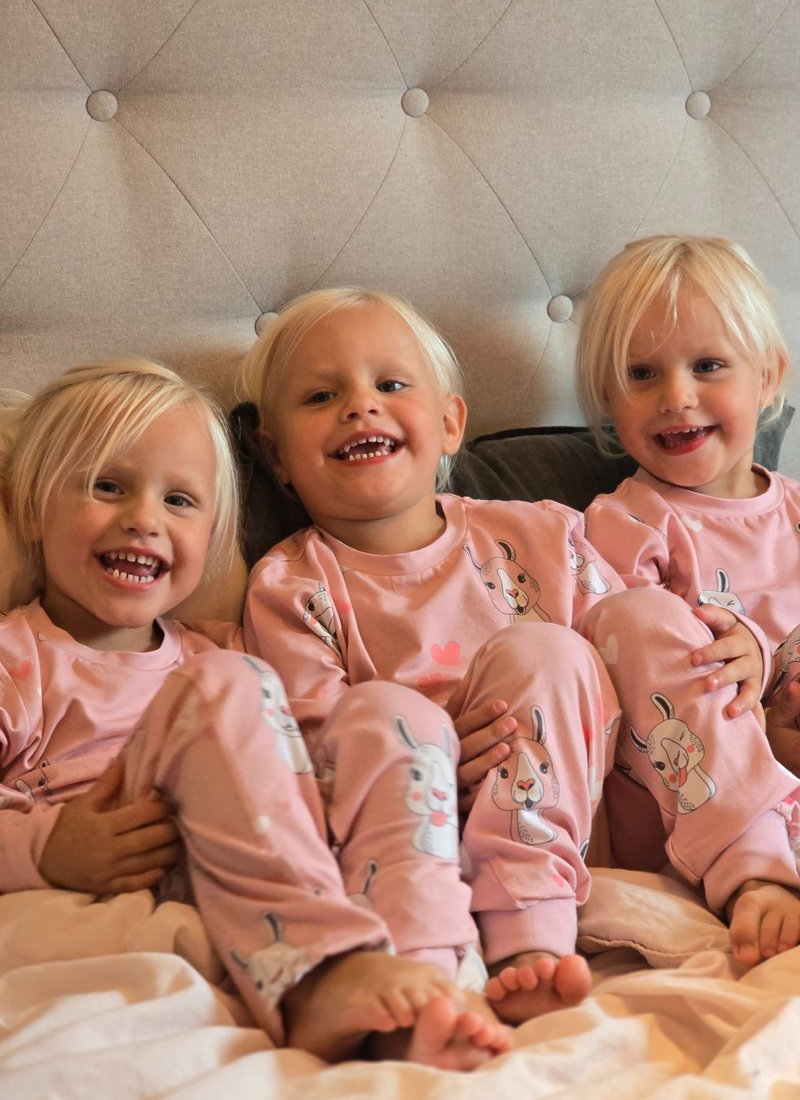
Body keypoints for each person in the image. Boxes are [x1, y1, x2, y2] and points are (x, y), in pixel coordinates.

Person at [239, 286, 798, 1022]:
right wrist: (433, 750)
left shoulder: (540, 531)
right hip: (459, 827)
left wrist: (745, 647)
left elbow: (649, 654)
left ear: (449, 424)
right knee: (514, 662)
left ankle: (754, 864)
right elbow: (310, 750)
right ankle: (527, 934)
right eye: (320, 395)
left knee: (636, 614)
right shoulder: (292, 586)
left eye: (391, 384)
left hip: (627, 802)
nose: (360, 406)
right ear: (276, 456)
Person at [0, 358, 511, 1069]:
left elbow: (302, 764)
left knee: (391, 712)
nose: (144, 519)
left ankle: (428, 972)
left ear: (212, 539)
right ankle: (315, 975)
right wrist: (45, 847)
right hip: (136, 858)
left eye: (180, 502)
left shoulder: (223, 646)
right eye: (107, 487)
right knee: (228, 683)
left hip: (270, 857)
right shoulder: (15, 659)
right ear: (29, 507)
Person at [575, 234, 800, 779]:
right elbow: (639, 680)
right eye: (642, 374)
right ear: (608, 396)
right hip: (713, 779)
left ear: (768, 378)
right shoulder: (625, 525)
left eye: (707, 365)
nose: (676, 396)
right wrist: (765, 714)